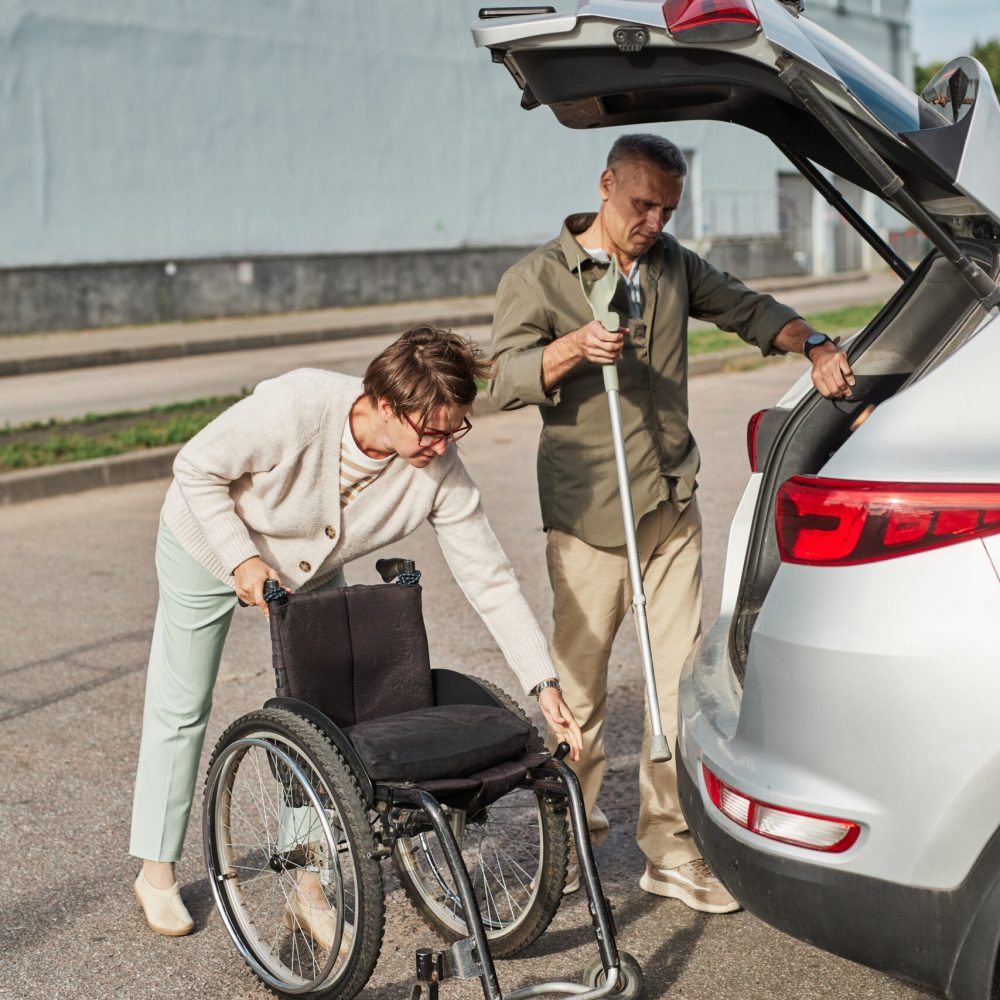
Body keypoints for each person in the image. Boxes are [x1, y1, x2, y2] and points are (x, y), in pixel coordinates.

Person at [489, 134, 855, 913]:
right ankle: (572, 835)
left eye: (667, 208)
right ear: (605, 186)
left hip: (669, 507)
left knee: (671, 690)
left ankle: (668, 847)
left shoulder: (672, 266)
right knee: (580, 695)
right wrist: (574, 348)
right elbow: (504, 379)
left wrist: (814, 343)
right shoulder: (538, 277)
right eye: (641, 204)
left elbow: (749, 309)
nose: (654, 221)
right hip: (589, 519)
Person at [130, 325, 582, 940]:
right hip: (209, 541)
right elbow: (196, 468)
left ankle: (308, 886)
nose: (443, 445)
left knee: (321, 718)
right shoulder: (297, 405)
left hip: (310, 569)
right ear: (385, 405)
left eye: (456, 429)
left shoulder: (439, 465)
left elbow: (489, 575)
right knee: (182, 706)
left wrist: (543, 681)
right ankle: (156, 873)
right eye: (431, 429)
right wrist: (241, 559)